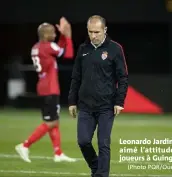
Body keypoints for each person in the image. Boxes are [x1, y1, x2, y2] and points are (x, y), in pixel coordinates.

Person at [68, 15, 128, 177]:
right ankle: (96, 169)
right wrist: (72, 101)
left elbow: (123, 77)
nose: (93, 36)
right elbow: (76, 77)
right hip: (85, 106)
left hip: (106, 106)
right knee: (83, 141)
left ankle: (102, 174)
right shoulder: (83, 49)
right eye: (90, 32)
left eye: (97, 32)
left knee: (103, 143)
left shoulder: (115, 49)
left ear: (105, 30)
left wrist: (119, 101)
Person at [15, 17, 76, 163]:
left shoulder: (37, 47)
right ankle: (25, 145)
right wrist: (67, 36)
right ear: (46, 35)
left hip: (43, 86)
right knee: (51, 123)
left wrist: (62, 36)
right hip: (50, 88)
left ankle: (58, 153)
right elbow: (68, 54)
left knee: (54, 120)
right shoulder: (48, 46)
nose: (54, 35)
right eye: (53, 33)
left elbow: (58, 50)